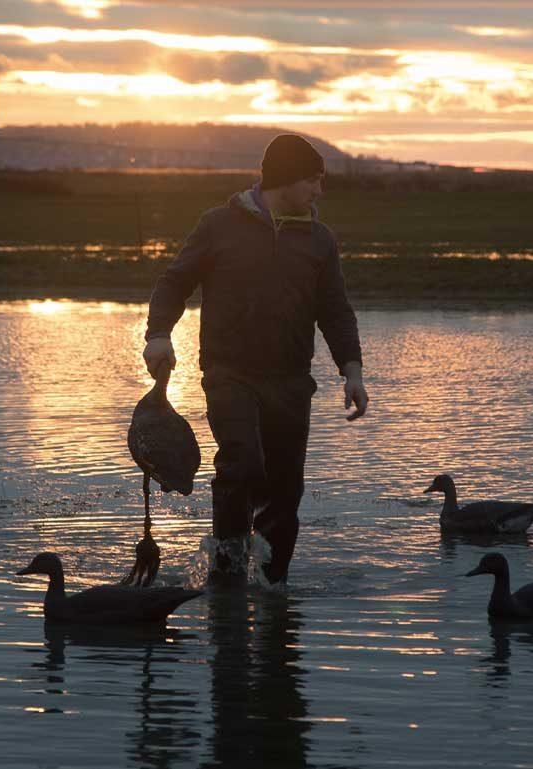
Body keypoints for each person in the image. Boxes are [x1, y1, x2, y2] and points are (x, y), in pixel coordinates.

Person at [142, 133, 368, 585]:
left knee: (285, 493)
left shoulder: (320, 241)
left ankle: (272, 587)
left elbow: (336, 311)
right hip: (230, 375)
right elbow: (174, 282)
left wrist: (353, 371)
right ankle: (225, 574)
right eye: (313, 182)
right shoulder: (218, 225)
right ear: (286, 180)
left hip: (290, 382)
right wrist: (158, 335)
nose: (319, 192)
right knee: (242, 463)